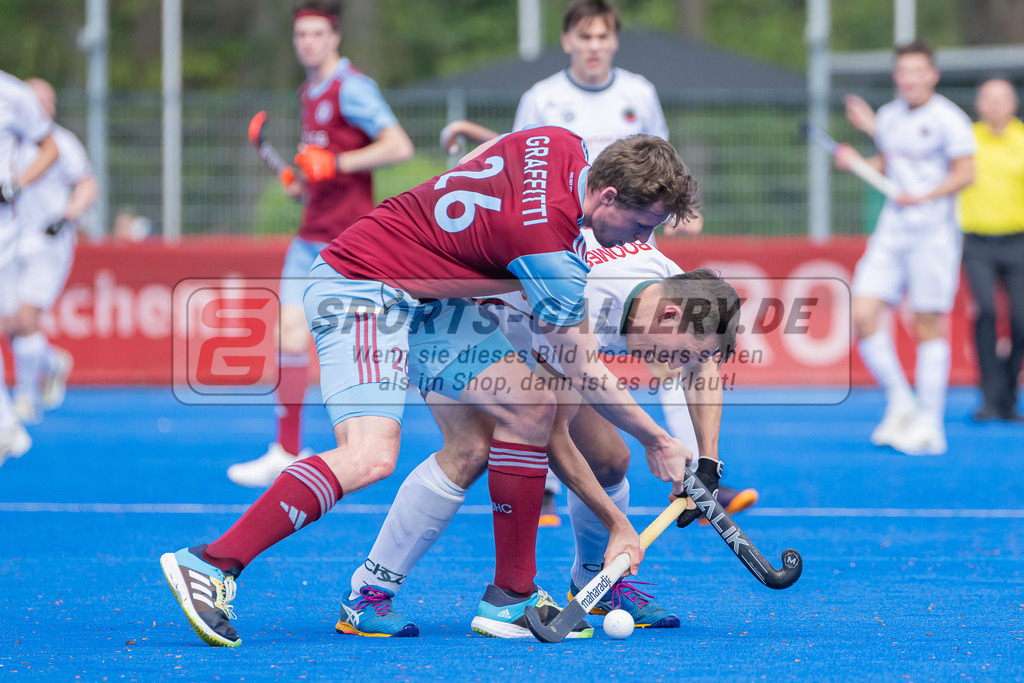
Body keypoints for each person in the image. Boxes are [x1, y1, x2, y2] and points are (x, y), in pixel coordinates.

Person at [160, 129, 701, 647]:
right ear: (606, 195)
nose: (642, 240)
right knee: (370, 455)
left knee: (530, 406)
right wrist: (657, 440)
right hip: (363, 286)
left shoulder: (558, 142)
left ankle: (509, 598)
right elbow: (584, 372)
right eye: (639, 223)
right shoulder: (552, 257)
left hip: (430, 297)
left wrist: (460, 239)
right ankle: (212, 562)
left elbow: (483, 153)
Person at [337, 231, 742, 637]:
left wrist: (708, 462)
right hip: (451, 316)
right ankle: (367, 594)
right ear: (669, 315)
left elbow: (702, 365)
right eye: (680, 353)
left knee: (610, 460)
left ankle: (593, 584)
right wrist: (618, 523)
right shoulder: (579, 298)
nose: (675, 366)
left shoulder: (671, 282)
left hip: (527, 334)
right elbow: (553, 438)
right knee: (470, 450)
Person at [441, 0, 730, 527]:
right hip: (482, 321)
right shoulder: (544, 104)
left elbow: (702, 354)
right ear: (569, 41)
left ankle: (594, 570)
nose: (594, 46)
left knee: (611, 454)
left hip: (564, 312)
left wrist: (706, 459)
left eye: (603, 36)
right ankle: (494, 585)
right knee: (490, 445)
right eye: (585, 36)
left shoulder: (637, 97)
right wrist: (657, 448)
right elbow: (518, 158)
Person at [226, 0, 414, 487]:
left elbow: (399, 146)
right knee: (287, 336)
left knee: (356, 350)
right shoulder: (309, 90)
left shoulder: (352, 88)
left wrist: (337, 165)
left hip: (350, 245)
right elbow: (321, 164)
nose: (307, 42)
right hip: (309, 237)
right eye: (300, 35)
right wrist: (302, 180)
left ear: (335, 37)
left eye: (315, 34)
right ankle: (286, 449)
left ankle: (362, 450)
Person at [836, 40, 975, 456]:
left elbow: (966, 172)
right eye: (903, 72)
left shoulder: (950, 119)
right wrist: (855, 162)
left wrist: (927, 194)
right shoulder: (890, 117)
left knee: (926, 322)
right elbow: (888, 163)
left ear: (932, 75)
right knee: (862, 313)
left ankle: (931, 425)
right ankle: (901, 401)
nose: (910, 79)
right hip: (891, 231)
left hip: (933, 233)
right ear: (897, 76)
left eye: (918, 71)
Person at [9, 78, 97, 426]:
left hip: (47, 240)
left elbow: (87, 183)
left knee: (26, 317)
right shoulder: (10, 141)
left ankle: (25, 399)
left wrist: (69, 214)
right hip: (11, 241)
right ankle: (51, 362)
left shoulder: (62, 142)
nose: (43, 105)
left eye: (49, 99)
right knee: (12, 322)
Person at [0, 69, 59, 464]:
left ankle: (11, 420)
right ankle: (7, 426)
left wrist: (15, 184)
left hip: (9, 231)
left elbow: (49, 148)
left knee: (18, 321)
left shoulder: (11, 93)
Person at [959, 79, 1024, 422]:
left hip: (1019, 243)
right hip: (978, 244)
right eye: (988, 99)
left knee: (1021, 320)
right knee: (984, 312)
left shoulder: (1023, 140)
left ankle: (1009, 394)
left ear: (1013, 104)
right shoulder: (965, 140)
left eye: (1002, 99)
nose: (995, 105)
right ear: (979, 105)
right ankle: (988, 396)